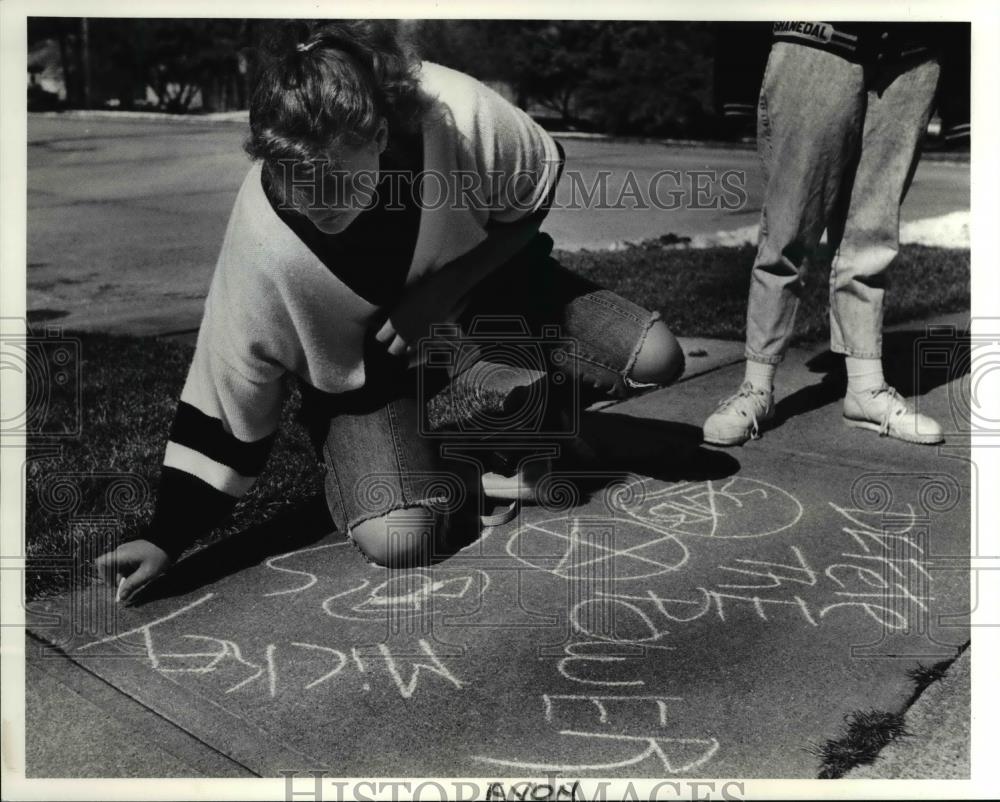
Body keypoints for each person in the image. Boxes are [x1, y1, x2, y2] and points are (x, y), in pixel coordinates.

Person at [95, 20, 684, 602]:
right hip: (368, 385)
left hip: (492, 304)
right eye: (297, 187)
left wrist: (442, 292)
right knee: (400, 538)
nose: (318, 208)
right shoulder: (261, 245)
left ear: (379, 136)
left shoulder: (454, 112)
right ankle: (469, 460)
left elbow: (537, 178)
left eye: (337, 186)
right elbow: (228, 390)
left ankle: (505, 420)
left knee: (657, 356)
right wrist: (167, 536)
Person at [704, 22, 969, 447]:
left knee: (872, 237)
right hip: (815, 38)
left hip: (914, 54)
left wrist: (963, 102)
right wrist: (735, 76)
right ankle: (757, 387)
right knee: (788, 233)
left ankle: (866, 388)